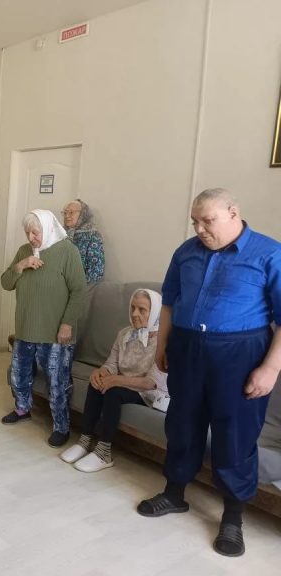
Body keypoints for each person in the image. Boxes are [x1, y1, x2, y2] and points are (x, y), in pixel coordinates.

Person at [137, 188, 281, 558]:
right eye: (195, 222)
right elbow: (169, 303)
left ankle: (232, 517)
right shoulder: (186, 252)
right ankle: (174, 493)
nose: (200, 229)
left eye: (207, 220)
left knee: (235, 435)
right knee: (182, 424)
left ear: (233, 212)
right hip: (187, 349)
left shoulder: (268, 253)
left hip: (241, 354)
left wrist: (271, 367)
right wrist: (161, 346)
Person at [0, 209, 87, 447]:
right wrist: (21, 265)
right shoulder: (24, 251)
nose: (31, 238)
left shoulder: (67, 251)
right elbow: (5, 283)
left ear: (47, 229)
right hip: (25, 328)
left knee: (57, 382)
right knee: (19, 374)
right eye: (27, 233)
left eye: (35, 233)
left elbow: (79, 291)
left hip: (55, 332)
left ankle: (61, 426)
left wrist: (67, 323)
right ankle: (22, 409)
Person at [60, 289, 169, 472]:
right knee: (97, 384)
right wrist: (101, 372)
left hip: (148, 393)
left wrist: (114, 380)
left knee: (112, 391)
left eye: (142, 310)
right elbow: (112, 363)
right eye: (133, 308)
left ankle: (104, 453)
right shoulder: (124, 333)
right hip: (124, 384)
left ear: (155, 312)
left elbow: (150, 382)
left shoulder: (163, 343)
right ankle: (85, 441)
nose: (135, 314)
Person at [62, 199, 105, 283]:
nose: (67, 216)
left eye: (71, 212)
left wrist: (78, 287)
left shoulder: (92, 235)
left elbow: (96, 269)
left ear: (82, 214)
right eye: (65, 212)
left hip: (82, 286)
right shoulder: (60, 234)